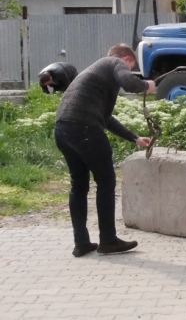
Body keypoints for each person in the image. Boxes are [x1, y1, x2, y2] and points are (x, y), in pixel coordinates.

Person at [54, 43, 156, 257]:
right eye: (130, 66)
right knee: (106, 182)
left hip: (63, 129)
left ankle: (81, 243)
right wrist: (147, 85)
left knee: (78, 185)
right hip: (84, 129)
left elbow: (106, 118)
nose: (126, 70)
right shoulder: (115, 62)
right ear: (128, 60)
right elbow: (130, 84)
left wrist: (134, 137)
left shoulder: (93, 74)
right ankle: (108, 241)